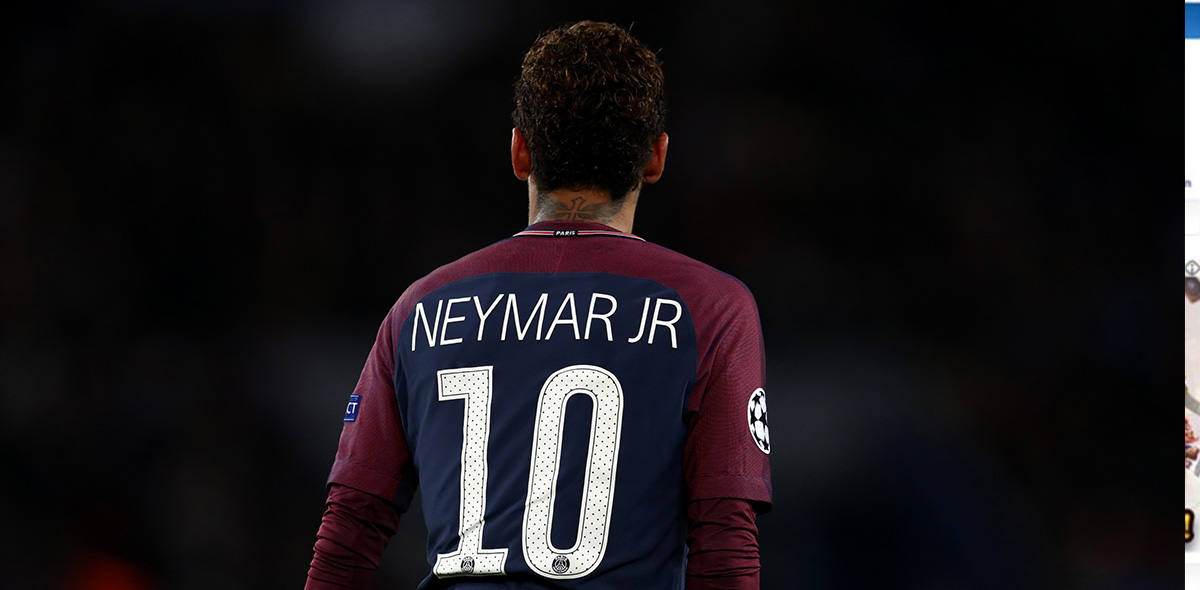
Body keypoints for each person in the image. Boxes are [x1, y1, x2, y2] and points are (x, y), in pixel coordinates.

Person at [305, 21, 772, 590]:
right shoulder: (710, 308)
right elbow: (725, 549)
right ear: (655, 157)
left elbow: (348, 535)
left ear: (519, 151)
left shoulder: (420, 309)